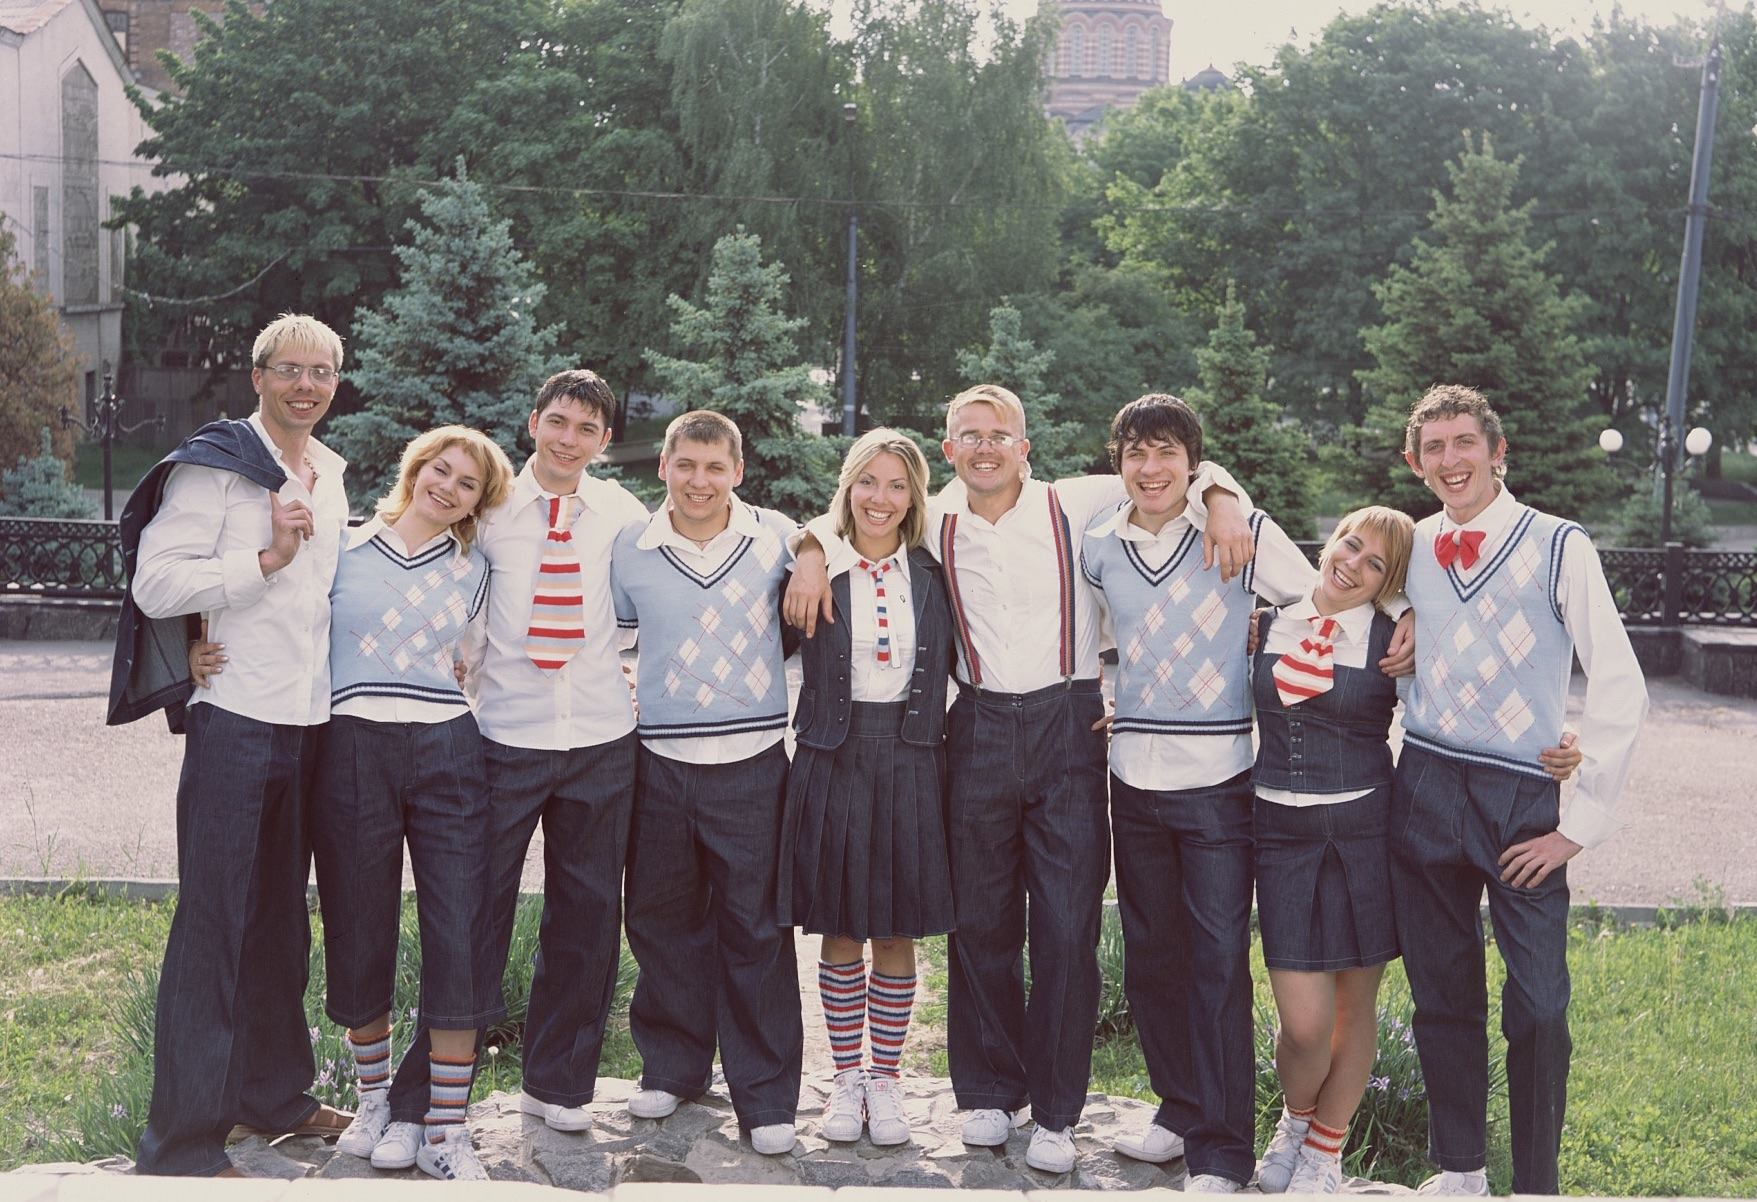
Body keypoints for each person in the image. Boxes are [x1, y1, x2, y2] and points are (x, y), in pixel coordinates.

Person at [788, 384, 1258, 1175]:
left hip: (1067, 724)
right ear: (947, 448)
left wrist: (1222, 502)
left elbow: (1175, 470)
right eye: (967, 434)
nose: (983, 447)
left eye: (998, 434)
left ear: (1024, 445)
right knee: (983, 922)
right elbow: (846, 521)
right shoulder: (930, 513)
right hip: (972, 727)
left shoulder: (1078, 501)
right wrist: (808, 553)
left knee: (1069, 927)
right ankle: (988, 1092)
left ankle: (1057, 1110)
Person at [1080, 395, 1390, 1193]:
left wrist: (1408, 612)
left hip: (1220, 786)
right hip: (1131, 777)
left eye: (1169, 454)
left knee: (1217, 962)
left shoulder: (1238, 534)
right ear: (1117, 461)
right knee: (1152, 958)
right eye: (1136, 453)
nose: (1151, 469)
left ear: (1191, 462)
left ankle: (1220, 1149)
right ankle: (1179, 1108)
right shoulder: (1097, 543)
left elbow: (1330, 589)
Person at [194, 425, 518, 1180]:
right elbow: (273, 613)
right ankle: (375, 1102)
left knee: (458, 930)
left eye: (467, 484)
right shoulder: (343, 546)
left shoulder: (478, 567)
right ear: (415, 469)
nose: (449, 488)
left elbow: (482, 658)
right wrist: (192, 641)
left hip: (448, 754)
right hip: (351, 751)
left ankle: (444, 1127)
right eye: (441, 470)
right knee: (357, 922)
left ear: (478, 502)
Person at [362, 370, 652, 1168]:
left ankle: (556, 1084)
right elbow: (417, 573)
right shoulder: (486, 511)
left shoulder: (624, 518)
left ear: (603, 441)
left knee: (587, 916)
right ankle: (418, 1102)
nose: (568, 439)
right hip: (499, 736)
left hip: (599, 735)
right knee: (468, 915)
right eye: (557, 422)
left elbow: (679, 574)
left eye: (587, 429)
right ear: (533, 423)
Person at [1247, 505, 1581, 1195]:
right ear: (1329, 538)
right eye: (1349, 545)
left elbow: (1483, 683)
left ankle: (1323, 1153)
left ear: (1391, 583)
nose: (1353, 564)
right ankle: (1294, 1118)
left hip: (1367, 834)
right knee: (1302, 1026)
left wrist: (1566, 741)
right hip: (1279, 835)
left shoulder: (1394, 642)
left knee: (1351, 1009)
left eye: (1377, 566)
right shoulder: (1264, 619)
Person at [1391, 385, 1646, 1196]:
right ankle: (1459, 1167)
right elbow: (1344, 591)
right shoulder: (1409, 544)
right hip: (1425, 781)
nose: (1449, 460)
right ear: (1414, 463)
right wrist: (1399, 623)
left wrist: (1579, 826)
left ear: (1497, 452)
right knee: (1441, 991)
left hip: (1519, 797)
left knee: (1538, 1006)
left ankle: (1536, 1184)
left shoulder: (1559, 546)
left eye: (1463, 442)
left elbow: (1617, 682)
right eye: (1432, 448)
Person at [119, 313, 353, 1176]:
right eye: (290, 369)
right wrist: (260, 562)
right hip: (235, 721)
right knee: (215, 926)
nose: (306, 385)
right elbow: (154, 582)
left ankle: (273, 1099)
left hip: (308, 723)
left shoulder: (330, 471)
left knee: (281, 923)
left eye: (322, 371)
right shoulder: (216, 466)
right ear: (257, 377)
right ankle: (181, 1141)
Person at [611, 409, 805, 1155]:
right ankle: (674, 1065)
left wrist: (813, 552)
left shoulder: (779, 538)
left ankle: (765, 1095)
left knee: (756, 929)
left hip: (754, 760)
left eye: (713, 468)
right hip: (659, 760)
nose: (699, 482)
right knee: (661, 920)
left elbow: (828, 547)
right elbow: (618, 637)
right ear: (663, 466)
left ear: (738, 472)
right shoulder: (630, 546)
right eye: (685, 466)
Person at [777, 429, 956, 1147]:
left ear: (914, 496)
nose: (880, 499)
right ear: (846, 487)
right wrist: (811, 550)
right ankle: (844, 1077)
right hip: (832, 754)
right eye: (867, 483)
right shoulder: (815, 568)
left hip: (913, 756)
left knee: (896, 927)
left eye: (896, 485)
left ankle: (886, 1077)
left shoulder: (935, 569)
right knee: (842, 925)